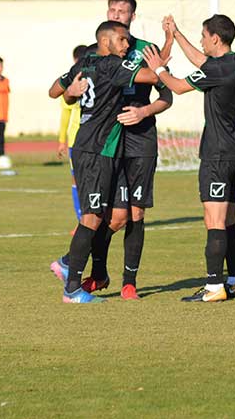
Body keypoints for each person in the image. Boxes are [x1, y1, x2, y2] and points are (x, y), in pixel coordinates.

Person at [48, 20, 159, 303]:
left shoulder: (83, 63)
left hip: (102, 149)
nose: (127, 45)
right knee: (92, 217)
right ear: (106, 41)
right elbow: (151, 76)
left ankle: (69, 266)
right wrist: (159, 63)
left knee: (109, 215)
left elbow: (53, 90)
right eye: (122, 40)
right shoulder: (112, 65)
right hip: (94, 150)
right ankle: (72, 287)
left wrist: (70, 91)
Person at [143, 14, 235, 303]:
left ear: (215, 38)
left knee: (214, 219)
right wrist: (176, 34)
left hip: (218, 154)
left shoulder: (217, 70)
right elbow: (202, 61)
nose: (201, 41)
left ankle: (213, 287)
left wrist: (158, 68)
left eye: (203, 36)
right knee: (229, 218)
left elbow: (177, 86)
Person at [57, 44, 88, 234]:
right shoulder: (72, 83)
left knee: (84, 180)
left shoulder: (96, 79)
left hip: (87, 139)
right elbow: (66, 112)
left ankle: (88, 220)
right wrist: (62, 140)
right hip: (76, 140)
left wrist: (62, 140)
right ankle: (82, 220)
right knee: (78, 180)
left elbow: (65, 115)